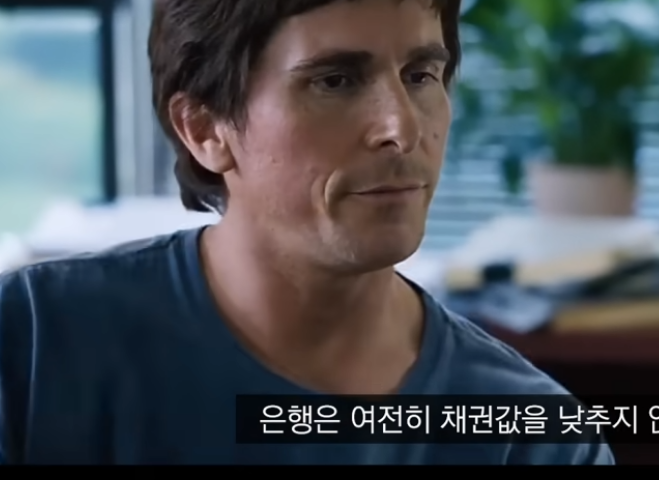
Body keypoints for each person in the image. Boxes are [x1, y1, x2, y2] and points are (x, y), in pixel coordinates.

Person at [0, 0, 614, 465]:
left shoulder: (531, 439)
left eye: (420, 75)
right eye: (335, 81)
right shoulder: (33, 345)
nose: (401, 130)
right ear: (204, 129)